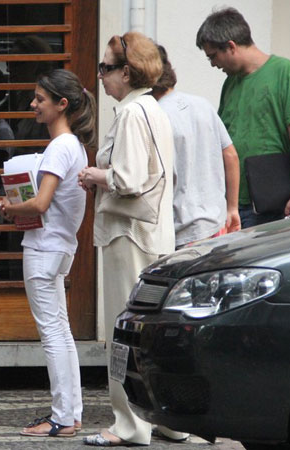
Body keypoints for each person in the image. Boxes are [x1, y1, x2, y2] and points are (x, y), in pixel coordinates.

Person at [77, 32, 187, 446]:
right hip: (154, 232)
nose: (101, 76)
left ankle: (130, 424)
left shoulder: (130, 113)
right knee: (152, 333)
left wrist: (93, 175)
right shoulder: (154, 110)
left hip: (128, 233)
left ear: (126, 71)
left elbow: (128, 178)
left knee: (125, 332)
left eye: (105, 68)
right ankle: (167, 418)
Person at [0, 69, 95, 438]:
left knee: (53, 334)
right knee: (62, 332)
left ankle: (62, 418)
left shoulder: (60, 146)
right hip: (60, 246)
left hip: (43, 248)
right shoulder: (76, 146)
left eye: (40, 99)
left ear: (62, 104)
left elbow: (39, 203)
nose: (33, 105)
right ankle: (70, 413)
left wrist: (10, 207)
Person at [196, 7, 290, 228]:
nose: (213, 64)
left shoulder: (285, 72)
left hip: (272, 204)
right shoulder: (230, 83)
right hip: (234, 205)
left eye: (213, 56)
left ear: (230, 46)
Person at [151, 45, 241, 248]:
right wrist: (232, 207)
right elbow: (231, 155)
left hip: (182, 230)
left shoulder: (155, 116)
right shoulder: (202, 104)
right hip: (217, 224)